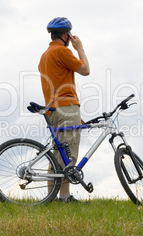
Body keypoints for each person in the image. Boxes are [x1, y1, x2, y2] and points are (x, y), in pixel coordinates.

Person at [38, 17, 90, 202]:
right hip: (66, 105)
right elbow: (85, 70)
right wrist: (80, 49)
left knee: (57, 154)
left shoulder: (45, 55)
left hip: (52, 110)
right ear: (66, 35)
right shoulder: (62, 51)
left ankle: (52, 198)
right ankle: (65, 197)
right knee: (69, 154)